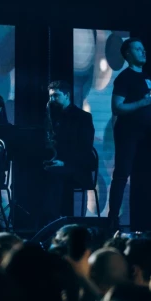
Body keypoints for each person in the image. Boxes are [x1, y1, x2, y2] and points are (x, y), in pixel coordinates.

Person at [107, 38, 151, 232]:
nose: (143, 51)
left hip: (148, 135)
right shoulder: (124, 78)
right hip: (129, 134)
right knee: (121, 175)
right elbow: (116, 107)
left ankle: (144, 220)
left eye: (143, 48)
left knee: (145, 177)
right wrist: (142, 104)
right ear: (128, 54)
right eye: (138, 49)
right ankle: (113, 221)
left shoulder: (147, 77)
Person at [42, 80, 95, 223]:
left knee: (54, 176)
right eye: (51, 97)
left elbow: (85, 149)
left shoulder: (83, 118)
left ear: (67, 95)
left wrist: (64, 161)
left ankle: (55, 221)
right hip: (59, 165)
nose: (52, 100)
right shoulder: (52, 117)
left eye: (56, 96)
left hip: (78, 167)